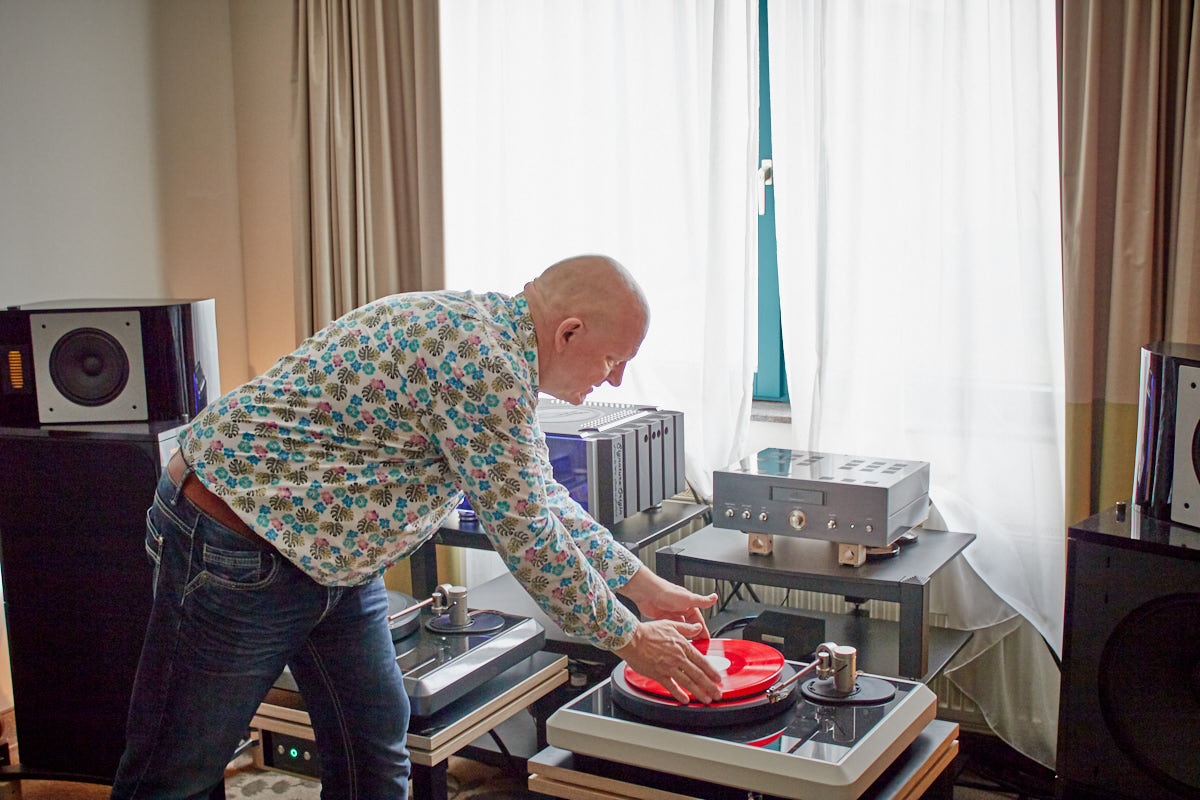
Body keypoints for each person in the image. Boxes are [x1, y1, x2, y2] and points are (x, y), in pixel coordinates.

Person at [110, 254, 723, 800]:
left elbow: (538, 497)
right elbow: (530, 537)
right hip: (236, 536)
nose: (615, 380)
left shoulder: (501, 347)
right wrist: (631, 639)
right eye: (614, 360)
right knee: (177, 770)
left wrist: (645, 587)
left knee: (375, 751)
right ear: (568, 332)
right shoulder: (482, 362)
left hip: (332, 556)